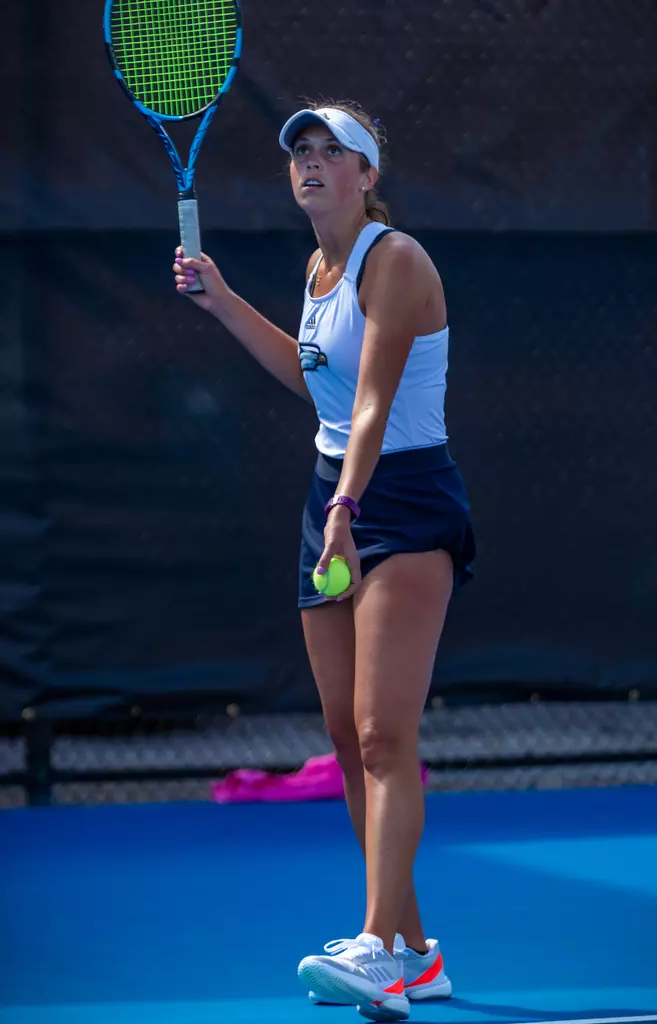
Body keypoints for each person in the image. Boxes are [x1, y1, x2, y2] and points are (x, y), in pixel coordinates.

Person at [173, 101, 475, 1023]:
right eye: (298, 153)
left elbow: (376, 404)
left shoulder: (398, 261)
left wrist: (348, 505)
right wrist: (222, 301)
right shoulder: (318, 268)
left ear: (366, 175)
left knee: (387, 736)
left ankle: (379, 945)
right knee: (346, 740)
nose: (309, 165)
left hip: (404, 503)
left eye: (330, 153)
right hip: (329, 500)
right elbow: (317, 382)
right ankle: (415, 953)